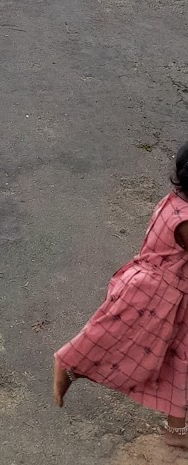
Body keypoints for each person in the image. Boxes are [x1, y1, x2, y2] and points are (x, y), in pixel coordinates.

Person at [53, 142, 188, 448]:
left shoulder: (174, 201)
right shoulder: (185, 220)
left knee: (178, 359)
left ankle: (176, 430)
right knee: (121, 349)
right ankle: (69, 364)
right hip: (155, 296)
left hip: (174, 296)